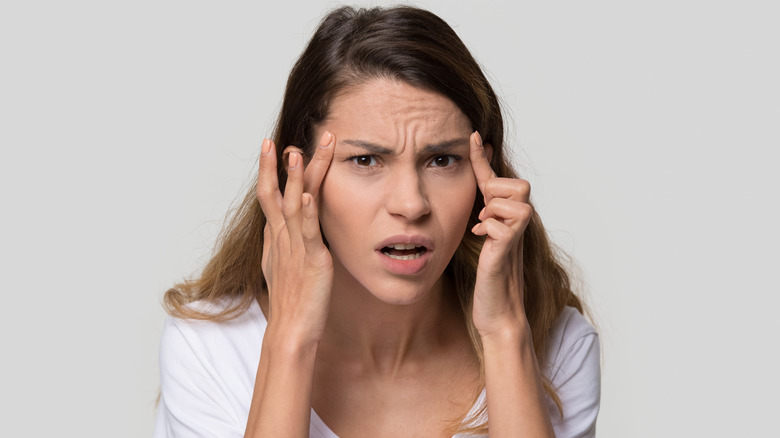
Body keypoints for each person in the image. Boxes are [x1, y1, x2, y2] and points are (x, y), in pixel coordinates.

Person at [154, 5, 600, 437]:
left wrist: (505, 335)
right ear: (298, 177)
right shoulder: (208, 349)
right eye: (366, 159)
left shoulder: (557, 347)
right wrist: (289, 340)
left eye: (442, 160)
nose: (411, 204)